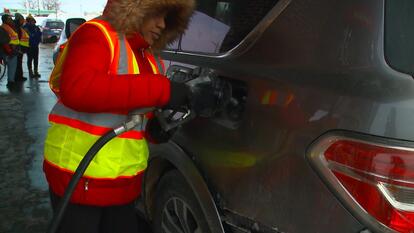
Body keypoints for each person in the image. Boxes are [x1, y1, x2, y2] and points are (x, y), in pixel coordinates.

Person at [43, 0, 195, 232]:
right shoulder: (97, 34)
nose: (162, 24)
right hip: (79, 178)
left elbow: (134, 115)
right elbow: (78, 88)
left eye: (167, 18)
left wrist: (155, 129)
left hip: (123, 185)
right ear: (136, 8)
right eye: (157, 13)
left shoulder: (151, 59)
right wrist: (163, 90)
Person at [1, 14, 19, 88]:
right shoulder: (2, 28)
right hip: (7, 52)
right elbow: (4, 41)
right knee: (11, 67)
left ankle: (11, 81)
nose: (11, 20)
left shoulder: (10, 27)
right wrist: (10, 51)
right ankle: (10, 82)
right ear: (5, 20)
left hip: (11, 51)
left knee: (12, 67)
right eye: (9, 19)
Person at [24, 14, 41, 78]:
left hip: (35, 45)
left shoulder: (36, 27)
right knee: (30, 59)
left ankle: (36, 71)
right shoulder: (26, 28)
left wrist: (37, 40)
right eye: (31, 21)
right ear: (28, 21)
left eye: (33, 21)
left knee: (36, 59)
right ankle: (30, 72)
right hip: (29, 46)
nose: (33, 22)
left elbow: (39, 34)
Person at [13, 13, 29, 82]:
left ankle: (19, 76)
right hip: (17, 48)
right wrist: (18, 48)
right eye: (22, 20)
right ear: (19, 20)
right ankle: (16, 77)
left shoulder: (19, 27)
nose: (23, 21)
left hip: (19, 48)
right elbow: (16, 38)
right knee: (16, 63)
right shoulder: (16, 27)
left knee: (19, 63)